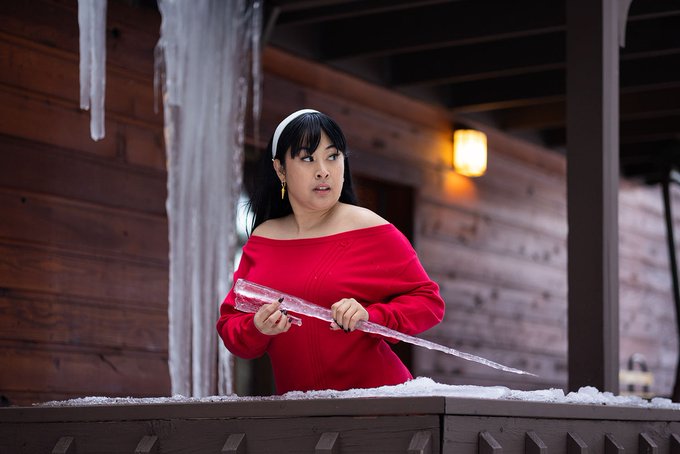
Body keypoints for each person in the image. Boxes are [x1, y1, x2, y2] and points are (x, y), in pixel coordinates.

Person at [216, 109, 445, 394]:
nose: (323, 170)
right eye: (307, 158)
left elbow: (429, 302)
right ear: (280, 169)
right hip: (302, 412)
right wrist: (257, 327)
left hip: (381, 405)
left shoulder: (369, 228)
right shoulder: (263, 239)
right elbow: (231, 326)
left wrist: (371, 316)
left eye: (333, 156)